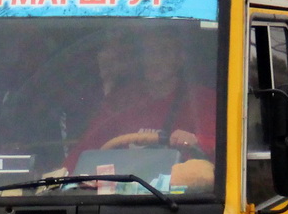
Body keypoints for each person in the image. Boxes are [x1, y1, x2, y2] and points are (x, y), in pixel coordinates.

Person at [63, 29, 216, 174]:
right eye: (148, 52)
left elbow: (222, 148)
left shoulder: (202, 100)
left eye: (164, 51)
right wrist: (60, 177)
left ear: (180, 57)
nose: (155, 59)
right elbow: (89, 145)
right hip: (126, 191)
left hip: (180, 197)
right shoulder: (121, 100)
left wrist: (195, 141)